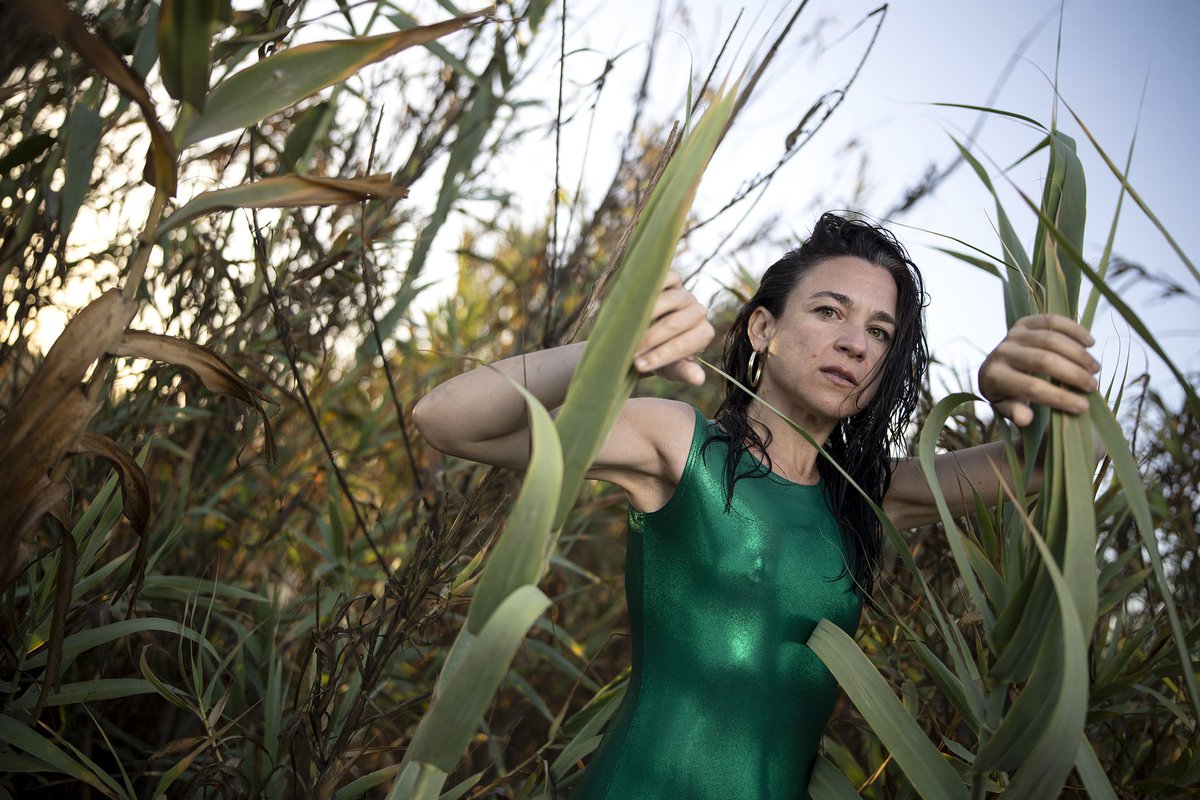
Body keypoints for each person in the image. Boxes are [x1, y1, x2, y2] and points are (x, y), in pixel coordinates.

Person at [412, 213, 1100, 799]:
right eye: (829, 311)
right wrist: (615, 346)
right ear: (763, 329)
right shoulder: (679, 444)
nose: (855, 343)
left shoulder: (869, 493)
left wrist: (1014, 390)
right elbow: (448, 419)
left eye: (881, 332)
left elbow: (1056, 466)